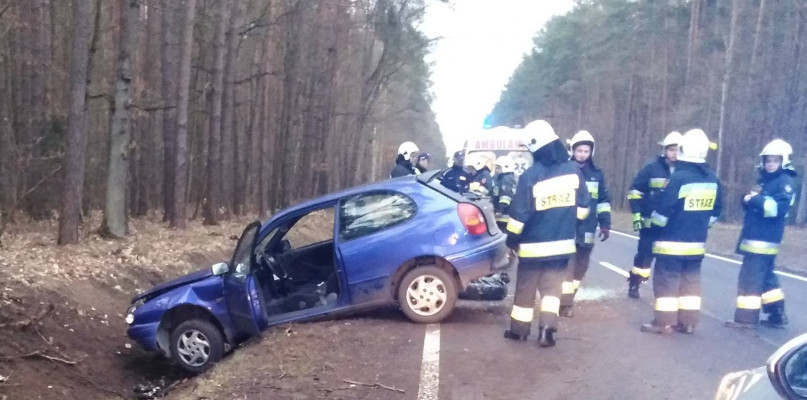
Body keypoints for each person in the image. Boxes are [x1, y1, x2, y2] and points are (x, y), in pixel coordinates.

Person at [503, 120, 591, 347]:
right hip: (562, 245)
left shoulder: (530, 176)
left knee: (526, 288)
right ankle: (547, 332)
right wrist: (567, 221)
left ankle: (519, 331)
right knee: (552, 290)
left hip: (532, 247)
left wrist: (511, 240)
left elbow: (519, 216)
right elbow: (584, 208)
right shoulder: (573, 171)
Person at [640, 128, 722, 335]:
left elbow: (663, 212)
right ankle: (688, 322)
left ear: (684, 150)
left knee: (667, 282)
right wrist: (700, 226)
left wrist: (655, 228)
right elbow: (716, 212)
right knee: (691, 283)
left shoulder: (678, 179)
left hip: (671, 242)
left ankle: (663, 323)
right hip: (697, 243)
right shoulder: (713, 179)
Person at [725, 139, 796, 329]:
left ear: (783, 161)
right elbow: (754, 204)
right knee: (766, 278)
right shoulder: (766, 181)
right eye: (768, 160)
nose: (770, 164)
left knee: (749, 280)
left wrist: (755, 199)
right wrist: (747, 199)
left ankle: (745, 319)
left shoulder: (784, 183)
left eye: (775, 160)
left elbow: (776, 209)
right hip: (760, 237)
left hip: (763, 239)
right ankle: (776, 314)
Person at [560, 131, 611, 318]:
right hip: (567, 226)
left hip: (588, 227)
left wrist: (605, 224)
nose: (582, 154)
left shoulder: (597, 174)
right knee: (567, 266)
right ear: (572, 150)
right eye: (579, 150)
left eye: (586, 151)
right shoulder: (563, 170)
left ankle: (568, 298)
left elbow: (603, 201)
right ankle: (564, 305)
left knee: (581, 267)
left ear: (591, 152)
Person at [626, 131, 682, 299]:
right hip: (650, 223)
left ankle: (665, 290)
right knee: (644, 257)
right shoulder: (651, 168)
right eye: (671, 149)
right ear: (664, 150)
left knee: (668, 260)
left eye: (678, 150)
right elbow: (635, 192)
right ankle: (635, 283)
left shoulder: (685, 170)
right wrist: (637, 214)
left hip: (673, 226)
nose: (674, 153)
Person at [492, 155, 517, 230]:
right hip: (499, 212)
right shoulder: (500, 178)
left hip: (504, 214)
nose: (496, 169)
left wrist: (500, 210)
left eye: (498, 167)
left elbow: (506, 196)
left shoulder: (507, 179)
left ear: (506, 167)